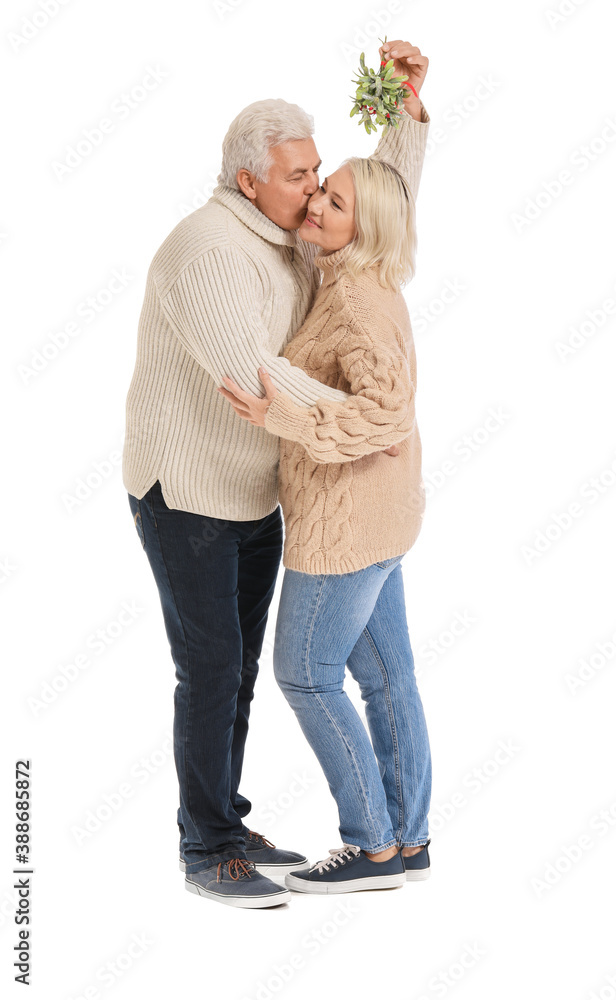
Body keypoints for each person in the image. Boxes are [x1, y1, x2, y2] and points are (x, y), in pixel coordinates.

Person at [122, 38, 429, 908]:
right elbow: (252, 375)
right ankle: (206, 844)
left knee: (243, 668)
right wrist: (369, 425)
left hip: (256, 490)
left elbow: (371, 213)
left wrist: (404, 117)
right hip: (188, 496)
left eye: (318, 174)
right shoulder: (210, 250)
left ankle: (229, 813)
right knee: (213, 670)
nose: (315, 191)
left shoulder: (290, 236)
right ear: (251, 181)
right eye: (301, 177)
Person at [216, 44, 433, 894]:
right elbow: (383, 187)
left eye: (330, 200)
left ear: (358, 224)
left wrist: (285, 415)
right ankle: (408, 841)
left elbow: (387, 415)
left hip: (345, 525)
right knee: (385, 677)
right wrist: (405, 112)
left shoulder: (357, 301)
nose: (314, 201)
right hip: (386, 515)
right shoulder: (347, 261)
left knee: (305, 673)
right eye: (315, 189)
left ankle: (371, 846)